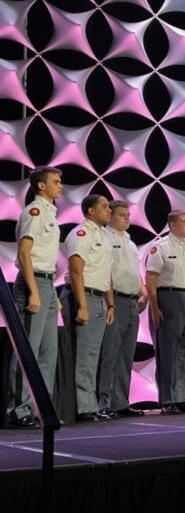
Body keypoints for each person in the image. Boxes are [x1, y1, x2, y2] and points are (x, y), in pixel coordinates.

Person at [7, 166, 63, 429]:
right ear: (41, 186)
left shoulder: (50, 212)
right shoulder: (35, 211)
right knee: (27, 349)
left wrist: (51, 293)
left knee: (48, 352)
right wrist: (32, 290)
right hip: (34, 282)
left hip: (48, 283)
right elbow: (24, 254)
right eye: (56, 181)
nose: (60, 185)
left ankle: (43, 408)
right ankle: (19, 411)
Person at [62, 194, 114, 422]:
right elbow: (76, 271)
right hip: (83, 297)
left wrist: (110, 303)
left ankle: (90, 405)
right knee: (83, 355)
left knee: (93, 355)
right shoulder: (80, 233)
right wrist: (82, 305)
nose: (109, 210)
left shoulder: (104, 235)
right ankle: (82, 408)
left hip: (99, 298)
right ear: (90, 211)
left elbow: (106, 272)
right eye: (104, 207)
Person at [145, 210, 185, 415]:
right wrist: (155, 306)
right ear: (172, 225)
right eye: (184, 222)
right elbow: (150, 278)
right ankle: (168, 399)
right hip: (168, 297)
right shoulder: (160, 247)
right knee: (169, 350)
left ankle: (182, 397)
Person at [98, 200, 148, 419]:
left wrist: (143, 292)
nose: (127, 218)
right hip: (114, 299)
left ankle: (120, 402)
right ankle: (103, 403)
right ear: (110, 216)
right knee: (109, 353)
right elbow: (106, 271)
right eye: (121, 215)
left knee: (126, 354)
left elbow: (134, 271)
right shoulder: (105, 237)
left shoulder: (129, 242)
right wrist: (110, 302)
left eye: (128, 214)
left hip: (131, 301)